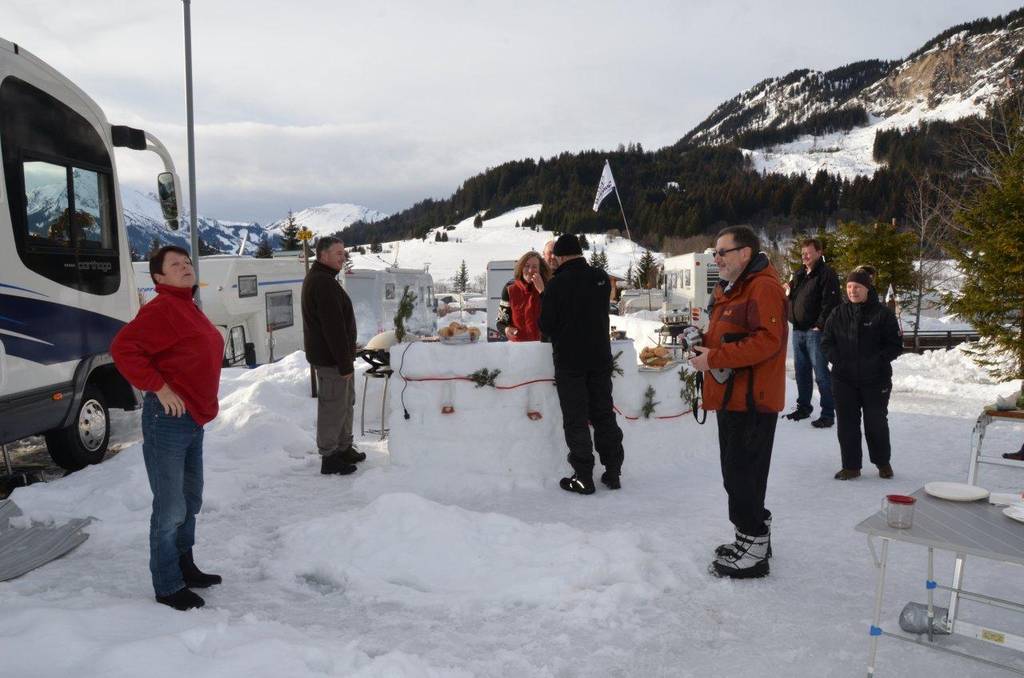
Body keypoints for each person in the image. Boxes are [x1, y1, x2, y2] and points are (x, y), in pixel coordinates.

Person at [111, 246, 224, 611]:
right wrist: (159, 387)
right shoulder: (162, 309)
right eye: (175, 265)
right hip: (168, 421)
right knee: (171, 507)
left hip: (191, 418)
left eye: (188, 262)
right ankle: (167, 584)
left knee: (190, 500)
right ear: (158, 278)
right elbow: (123, 348)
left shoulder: (186, 305)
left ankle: (184, 566)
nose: (185, 267)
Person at [688, 226, 787, 579]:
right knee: (737, 473)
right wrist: (702, 340)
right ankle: (751, 535)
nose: (716, 259)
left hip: (751, 401)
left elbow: (768, 341)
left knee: (743, 474)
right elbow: (731, 334)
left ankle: (754, 549)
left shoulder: (763, 287)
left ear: (745, 253)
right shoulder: (731, 288)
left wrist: (713, 358)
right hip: (732, 397)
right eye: (715, 253)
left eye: (722, 253)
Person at [539, 233, 624, 494]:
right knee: (603, 415)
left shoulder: (556, 284)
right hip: (599, 357)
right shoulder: (600, 278)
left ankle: (583, 476)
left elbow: (546, 325)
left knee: (576, 418)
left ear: (561, 256)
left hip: (570, 361)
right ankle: (613, 472)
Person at [821, 267, 902, 481]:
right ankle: (851, 466)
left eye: (857, 287)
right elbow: (826, 341)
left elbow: (895, 345)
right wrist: (836, 358)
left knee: (875, 422)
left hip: (876, 379)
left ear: (867, 288)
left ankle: (882, 463)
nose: (852, 291)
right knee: (847, 423)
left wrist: (876, 361)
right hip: (843, 379)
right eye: (849, 287)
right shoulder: (837, 313)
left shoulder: (882, 314)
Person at [302, 236, 365, 476]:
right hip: (332, 361)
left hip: (337, 359)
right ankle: (329, 456)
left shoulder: (325, 279)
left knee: (345, 404)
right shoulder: (322, 282)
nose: (343, 257)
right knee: (333, 407)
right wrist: (344, 361)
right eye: (338, 253)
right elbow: (333, 327)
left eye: (344, 253)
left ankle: (343, 447)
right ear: (322, 255)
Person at [784, 238, 840, 428]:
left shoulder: (827, 274)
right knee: (801, 373)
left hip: (815, 332)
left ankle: (828, 413)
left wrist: (820, 324)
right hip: (798, 330)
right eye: (802, 253)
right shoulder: (800, 273)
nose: (805, 256)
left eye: (808, 252)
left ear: (818, 252)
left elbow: (831, 303)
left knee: (822, 374)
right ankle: (804, 407)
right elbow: (794, 297)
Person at [496, 251, 552, 341]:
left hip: (543, 348)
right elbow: (501, 322)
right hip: (519, 349)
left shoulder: (549, 287)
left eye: (534, 267)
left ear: (540, 269)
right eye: (527, 266)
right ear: (521, 267)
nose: (530, 270)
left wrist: (542, 291)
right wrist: (506, 329)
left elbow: (555, 317)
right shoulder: (509, 289)